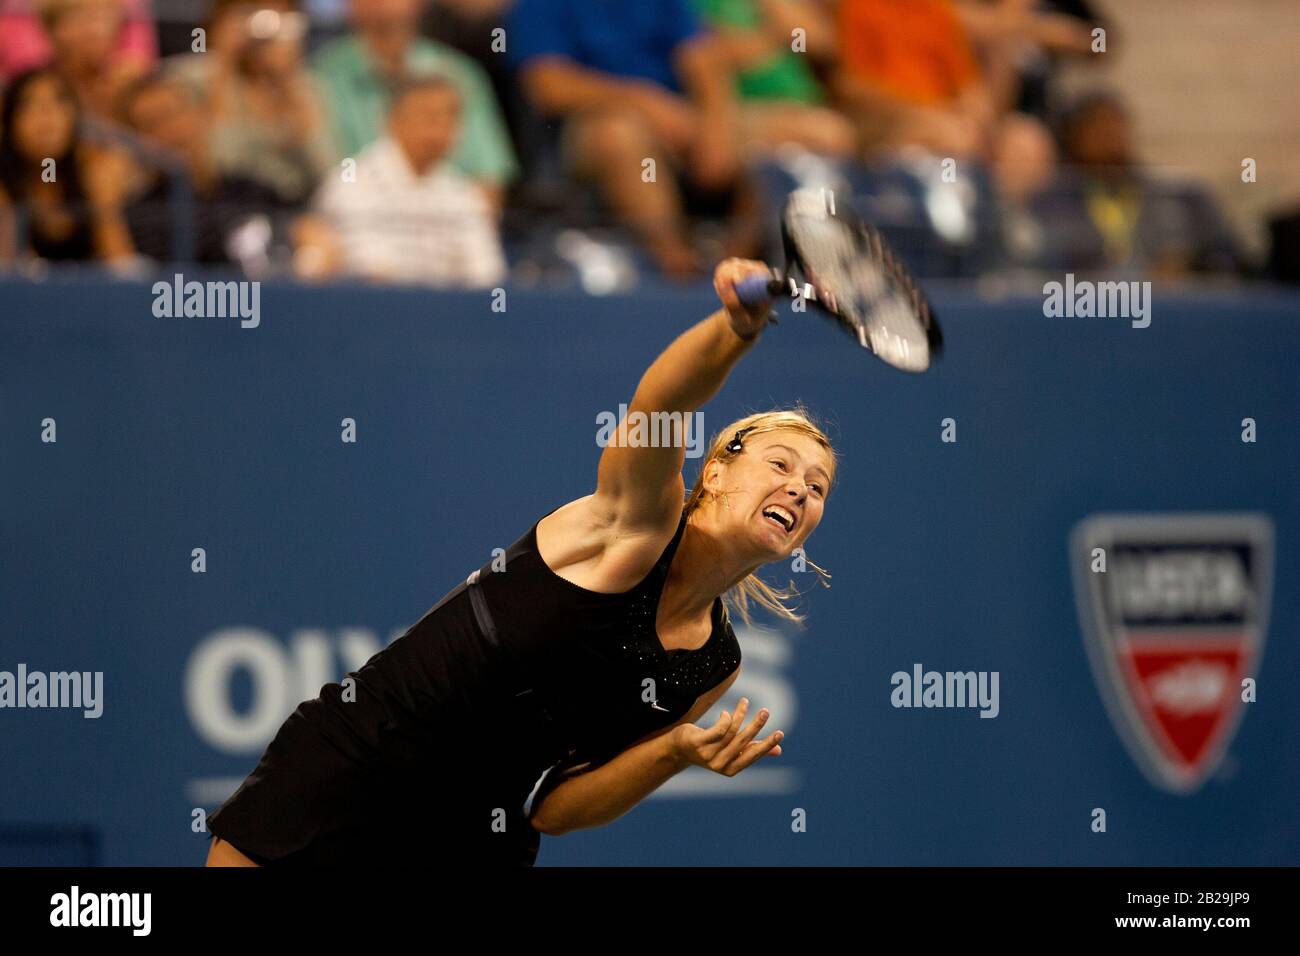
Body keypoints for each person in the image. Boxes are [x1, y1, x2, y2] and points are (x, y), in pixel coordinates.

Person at [205, 258, 836, 866]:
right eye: (780, 465)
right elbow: (656, 413)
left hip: (472, 839)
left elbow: (555, 809)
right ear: (717, 468)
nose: (798, 490)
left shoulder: (713, 665)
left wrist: (673, 751)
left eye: (817, 487)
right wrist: (736, 330)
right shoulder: (636, 525)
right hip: (353, 773)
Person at [306, 73, 507, 286]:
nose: (440, 129)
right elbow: (369, 269)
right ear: (392, 120)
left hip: (446, 313)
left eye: (450, 117)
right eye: (428, 116)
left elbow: (486, 273)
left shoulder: (462, 193)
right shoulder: (351, 181)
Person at [313, 0, 518, 206]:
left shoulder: (460, 75)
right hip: (353, 221)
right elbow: (321, 180)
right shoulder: (320, 77)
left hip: (445, 222)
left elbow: (489, 180)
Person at [166, 0, 337, 208]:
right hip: (220, 213)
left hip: (294, 213)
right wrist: (224, 69)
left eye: (278, 21)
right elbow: (220, 169)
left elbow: (330, 177)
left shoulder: (306, 86)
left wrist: (290, 87)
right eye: (249, 14)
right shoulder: (188, 82)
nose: (262, 32)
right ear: (219, 20)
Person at [0, 66, 137, 267]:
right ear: (11, 122)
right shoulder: (4, 181)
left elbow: (122, 267)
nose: (45, 115)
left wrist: (103, 199)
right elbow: (15, 274)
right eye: (28, 104)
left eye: (59, 101)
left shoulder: (94, 171)